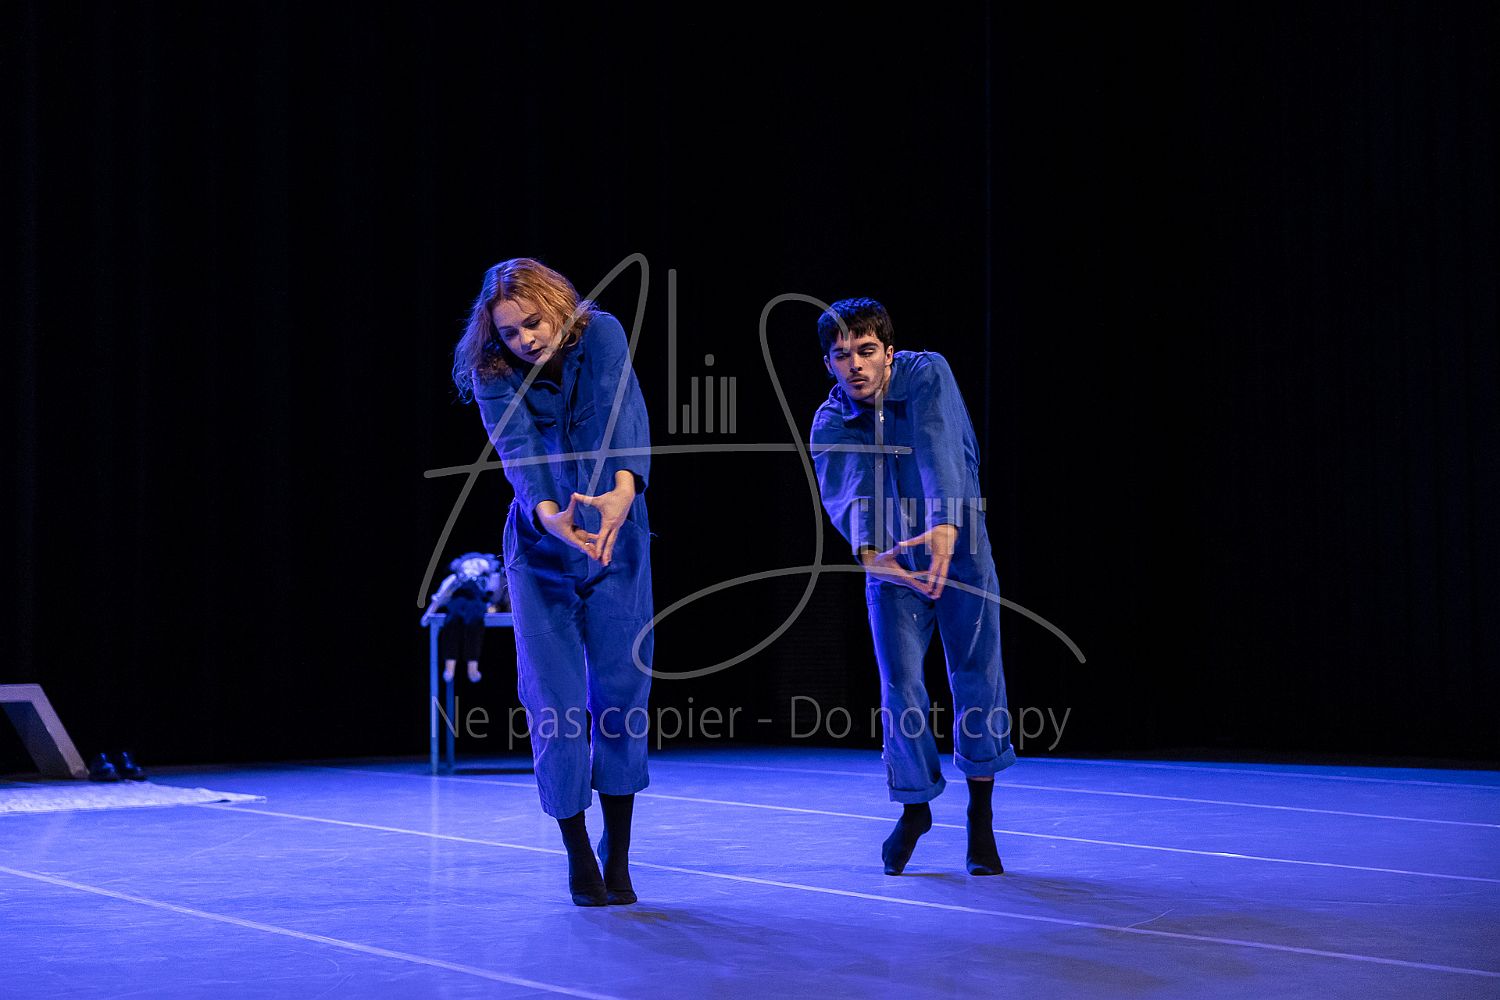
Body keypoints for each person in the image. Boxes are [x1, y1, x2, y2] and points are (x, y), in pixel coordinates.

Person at [452, 258, 654, 906]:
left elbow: (616, 410)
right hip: (543, 545)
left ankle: (617, 850)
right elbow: (520, 450)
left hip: (616, 535)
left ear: (558, 306)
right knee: (555, 704)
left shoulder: (601, 333)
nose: (525, 340)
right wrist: (548, 514)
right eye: (510, 332)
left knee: (621, 695)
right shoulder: (492, 370)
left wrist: (623, 490)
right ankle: (576, 849)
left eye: (533, 323)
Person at [809, 297, 1016, 877]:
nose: (855, 365)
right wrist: (872, 555)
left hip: (960, 548)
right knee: (900, 686)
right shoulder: (831, 420)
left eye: (866, 350)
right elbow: (849, 495)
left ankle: (980, 817)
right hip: (896, 564)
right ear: (828, 363)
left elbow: (937, 443)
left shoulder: (926, 373)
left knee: (977, 675)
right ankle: (915, 805)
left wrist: (945, 524)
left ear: (889, 352)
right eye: (842, 355)